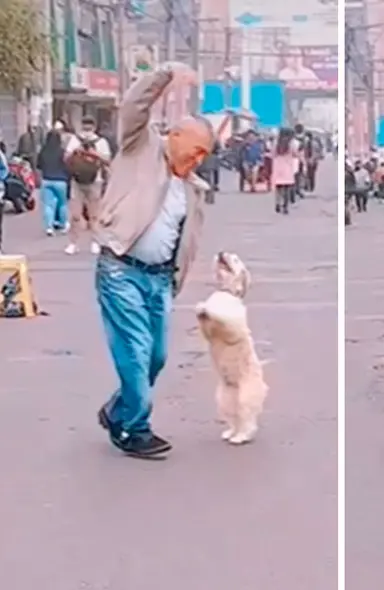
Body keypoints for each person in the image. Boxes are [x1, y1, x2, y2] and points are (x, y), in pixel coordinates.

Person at [94, 62, 213, 459]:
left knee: (157, 356)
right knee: (136, 348)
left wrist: (176, 279)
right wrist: (164, 75)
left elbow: (187, 241)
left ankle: (118, 409)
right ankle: (133, 429)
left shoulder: (193, 188)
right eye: (195, 149)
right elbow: (133, 105)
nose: (198, 159)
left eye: (205, 155)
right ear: (174, 135)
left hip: (159, 279)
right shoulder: (139, 145)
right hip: (120, 269)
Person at [63, 116, 112, 255]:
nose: (87, 129)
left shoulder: (101, 142)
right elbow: (66, 158)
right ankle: (73, 243)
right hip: (77, 180)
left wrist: (94, 154)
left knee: (94, 214)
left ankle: (95, 242)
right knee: (76, 214)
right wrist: (75, 152)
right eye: (85, 125)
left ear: (94, 127)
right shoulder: (75, 140)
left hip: (95, 181)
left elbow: (107, 160)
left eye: (89, 126)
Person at [35, 129, 70, 236]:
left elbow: (38, 166)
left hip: (46, 179)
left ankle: (49, 228)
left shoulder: (43, 151)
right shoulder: (62, 151)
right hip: (61, 180)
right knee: (62, 204)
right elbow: (67, 166)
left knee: (48, 205)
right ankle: (63, 225)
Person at [271, 128, 299, 215]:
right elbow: (295, 154)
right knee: (286, 189)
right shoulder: (291, 144)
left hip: (278, 167)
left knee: (278, 188)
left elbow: (273, 154)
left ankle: (277, 203)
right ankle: (285, 206)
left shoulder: (276, 143)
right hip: (287, 168)